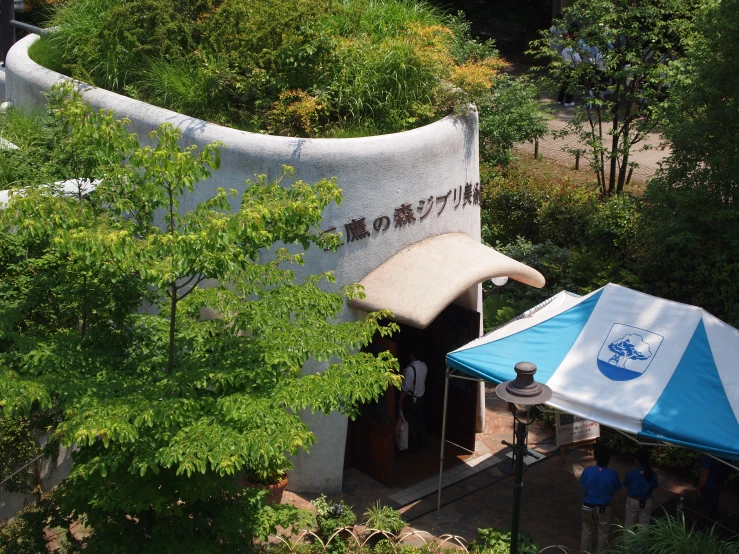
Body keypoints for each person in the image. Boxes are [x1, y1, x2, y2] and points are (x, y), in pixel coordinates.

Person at [579, 445, 622, 554]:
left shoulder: (587, 471)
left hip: (587, 506)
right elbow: (616, 488)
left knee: (586, 532)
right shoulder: (613, 474)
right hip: (604, 507)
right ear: (609, 459)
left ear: (595, 457)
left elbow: (583, 484)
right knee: (603, 532)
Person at [397, 349, 428, 453]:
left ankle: (413, 447)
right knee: (419, 421)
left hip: (411, 399)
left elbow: (405, 388)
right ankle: (423, 443)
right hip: (420, 398)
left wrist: (400, 401)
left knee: (410, 423)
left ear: (412, 355)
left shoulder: (409, 369)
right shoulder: (424, 366)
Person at [623, 449, 658, 527]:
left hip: (633, 501)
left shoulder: (630, 473)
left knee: (629, 525)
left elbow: (626, 484)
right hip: (647, 501)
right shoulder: (653, 474)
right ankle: (642, 539)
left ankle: (628, 539)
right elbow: (655, 486)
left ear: (637, 461)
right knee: (644, 526)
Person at [697, 453, 730, 526]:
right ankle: (714, 528)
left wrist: (699, 488)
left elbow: (705, 473)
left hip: (708, 486)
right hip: (719, 484)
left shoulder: (708, 454)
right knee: (714, 507)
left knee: (704, 510)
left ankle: (702, 531)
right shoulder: (722, 450)